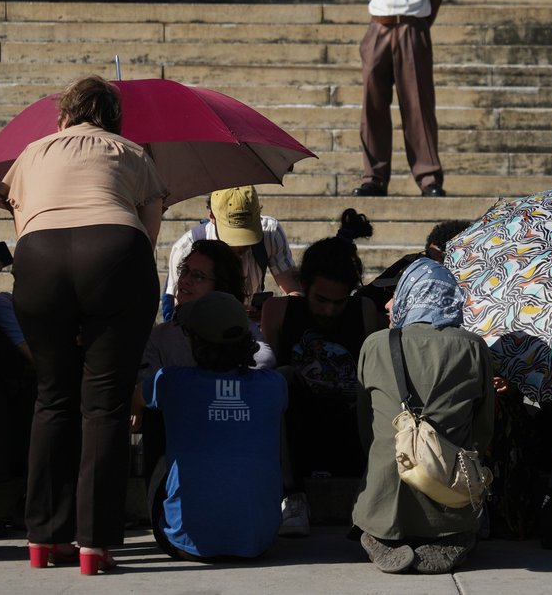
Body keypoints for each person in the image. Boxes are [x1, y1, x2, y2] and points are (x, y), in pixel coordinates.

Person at [0, 75, 167, 575]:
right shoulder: (131, 152)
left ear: (64, 117)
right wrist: (120, 282)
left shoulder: (30, 153)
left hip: (40, 258)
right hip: (116, 250)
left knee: (51, 398)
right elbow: (150, 219)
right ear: (113, 119)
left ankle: (42, 538)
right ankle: (94, 545)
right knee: (106, 405)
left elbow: (21, 221)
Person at [352, 258, 495, 574]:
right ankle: (452, 535)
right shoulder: (473, 347)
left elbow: (366, 427)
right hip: (449, 491)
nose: (389, 303)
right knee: (459, 498)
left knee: (382, 469)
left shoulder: (374, 344)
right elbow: (484, 429)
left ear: (407, 296)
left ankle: (379, 535)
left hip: (383, 494)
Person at [143, 292, 288, 560]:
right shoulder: (274, 385)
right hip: (259, 540)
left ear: (195, 342)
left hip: (184, 543)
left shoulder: (170, 382)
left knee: (154, 415)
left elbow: (130, 401)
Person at [260, 237, 384, 532]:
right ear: (303, 286)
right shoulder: (278, 310)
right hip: (301, 430)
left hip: (350, 428)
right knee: (282, 377)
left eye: (338, 302)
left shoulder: (364, 310)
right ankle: (293, 497)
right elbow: (270, 381)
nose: (329, 311)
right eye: (321, 300)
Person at [133, 239, 276, 482]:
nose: (185, 280)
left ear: (221, 287)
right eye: (184, 271)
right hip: (180, 433)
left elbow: (265, 359)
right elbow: (148, 387)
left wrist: (200, 382)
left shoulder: (240, 328)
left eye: (198, 276)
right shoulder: (160, 335)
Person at [352, 0, 450, 198]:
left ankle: (428, 177)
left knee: (418, 105)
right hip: (379, 27)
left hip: (411, 28)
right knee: (373, 105)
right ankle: (374, 177)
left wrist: (417, 27)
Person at [163, 185, 299, 320]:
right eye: (232, 236)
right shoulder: (187, 249)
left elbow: (294, 291)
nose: (240, 245)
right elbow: (180, 313)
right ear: (212, 216)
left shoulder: (270, 233)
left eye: (247, 232)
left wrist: (268, 312)